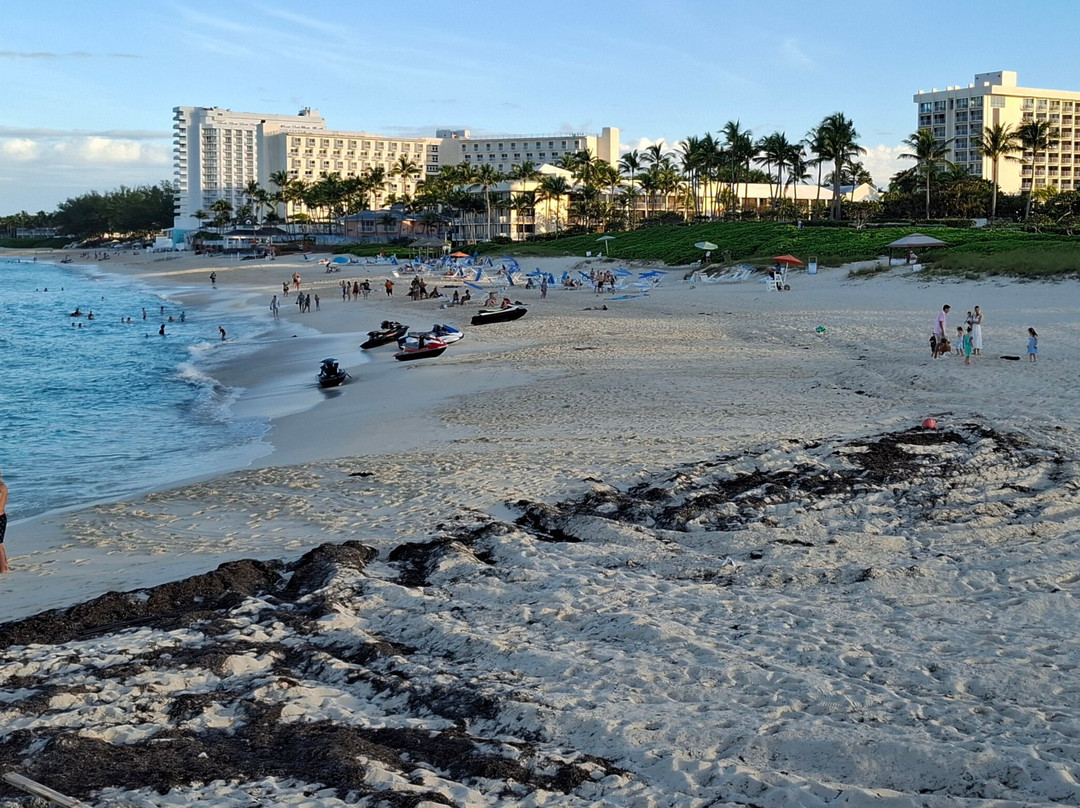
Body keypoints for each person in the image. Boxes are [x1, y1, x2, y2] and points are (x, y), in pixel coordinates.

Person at [0, 467, 8, 573]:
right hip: (2, 516)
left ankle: (3, 568)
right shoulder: (3, 486)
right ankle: (4, 564)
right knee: (0, 543)